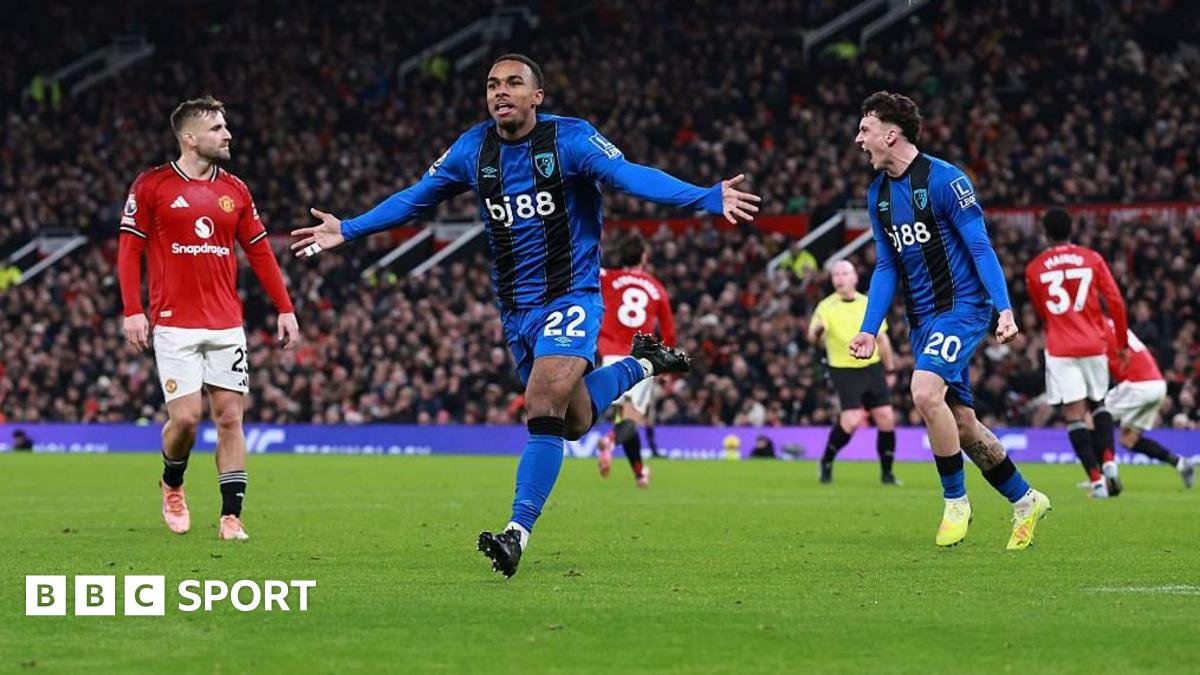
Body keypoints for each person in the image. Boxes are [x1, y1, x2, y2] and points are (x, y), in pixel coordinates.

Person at [289, 54, 760, 577]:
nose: (501, 92)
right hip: (516, 310)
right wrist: (348, 228)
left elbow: (629, 175)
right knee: (573, 420)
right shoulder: (473, 149)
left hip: (572, 296)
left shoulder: (571, 139)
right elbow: (417, 198)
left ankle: (517, 532)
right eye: (493, 84)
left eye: (514, 83)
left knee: (541, 404)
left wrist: (703, 197)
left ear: (537, 96)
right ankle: (642, 364)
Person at [849, 91, 1050, 550]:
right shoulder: (878, 194)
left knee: (923, 391)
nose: (858, 139)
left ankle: (956, 501)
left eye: (865, 129)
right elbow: (886, 265)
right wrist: (868, 328)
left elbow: (980, 246)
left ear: (891, 134)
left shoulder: (946, 180)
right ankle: (1025, 499)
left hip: (962, 308)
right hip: (921, 319)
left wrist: (1003, 308)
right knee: (962, 424)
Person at [118, 96, 299, 541]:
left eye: (225, 126)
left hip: (226, 324)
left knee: (230, 418)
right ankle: (172, 482)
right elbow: (129, 250)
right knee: (185, 420)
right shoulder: (152, 185)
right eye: (217, 128)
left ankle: (231, 517)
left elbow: (259, 251)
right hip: (174, 323)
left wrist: (285, 307)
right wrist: (133, 310)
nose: (227, 134)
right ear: (190, 137)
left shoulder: (235, 190)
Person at [1025, 208, 1128, 498]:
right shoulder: (1091, 258)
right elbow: (1115, 301)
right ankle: (1109, 460)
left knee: (1074, 414)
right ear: (1071, 229)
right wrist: (1121, 344)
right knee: (1099, 403)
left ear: (1045, 233)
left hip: (1060, 348)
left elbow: (1042, 312)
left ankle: (1096, 481)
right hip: (1093, 343)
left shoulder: (1034, 268)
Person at [807, 260, 900, 485]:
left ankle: (887, 473)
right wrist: (817, 333)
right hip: (843, 369)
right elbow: (812, 338)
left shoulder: (868, 303)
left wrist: (890, 369)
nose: (839, 278)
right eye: (835, 275)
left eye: (844, 273)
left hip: (872, 367)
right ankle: (826, 461)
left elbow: (882, 339)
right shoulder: (825, 307)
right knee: (851, 420)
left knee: (886, 418)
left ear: (854, 277)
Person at [595, 234, 677, 488]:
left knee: (624, 420)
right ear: (644, 257)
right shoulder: (656, 288)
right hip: (640, 358)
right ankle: (609, 441)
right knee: (631, 420)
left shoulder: (606, 277)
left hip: (610, 356)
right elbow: (669, 333)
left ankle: (640, 473)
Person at [1101, 320, 1195, 489]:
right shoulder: (1114, 324)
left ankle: (1101, 480)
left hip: (1138, 385)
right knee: (1128, 440)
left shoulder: (1098, 327)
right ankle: (1180, 463)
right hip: (1156, 384)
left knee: (1094, 419)